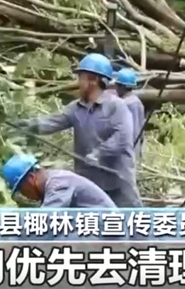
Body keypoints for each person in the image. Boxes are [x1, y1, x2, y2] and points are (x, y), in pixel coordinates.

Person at [12, 53, 142, 207]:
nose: (78, 82)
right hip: (89, 180)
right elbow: (54, 121)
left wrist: (98, 154)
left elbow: (122, 139)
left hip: (119, 180)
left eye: (81, 77)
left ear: (93, 80)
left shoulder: (117, 106)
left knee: (132, 222)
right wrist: (26, 125)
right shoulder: (76, 108)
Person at [1, 154, 116, 208]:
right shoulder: (53, 182)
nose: (25, 195)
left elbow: (45, 221)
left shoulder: (58, 184)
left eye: (21, 189)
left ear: (31, 178)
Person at [112, 68, 146, 163]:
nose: (116, 89)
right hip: (135, 150)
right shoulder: (138, 103)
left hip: (125, 153)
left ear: (122, 87)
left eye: (117, 86)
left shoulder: (123, 105)